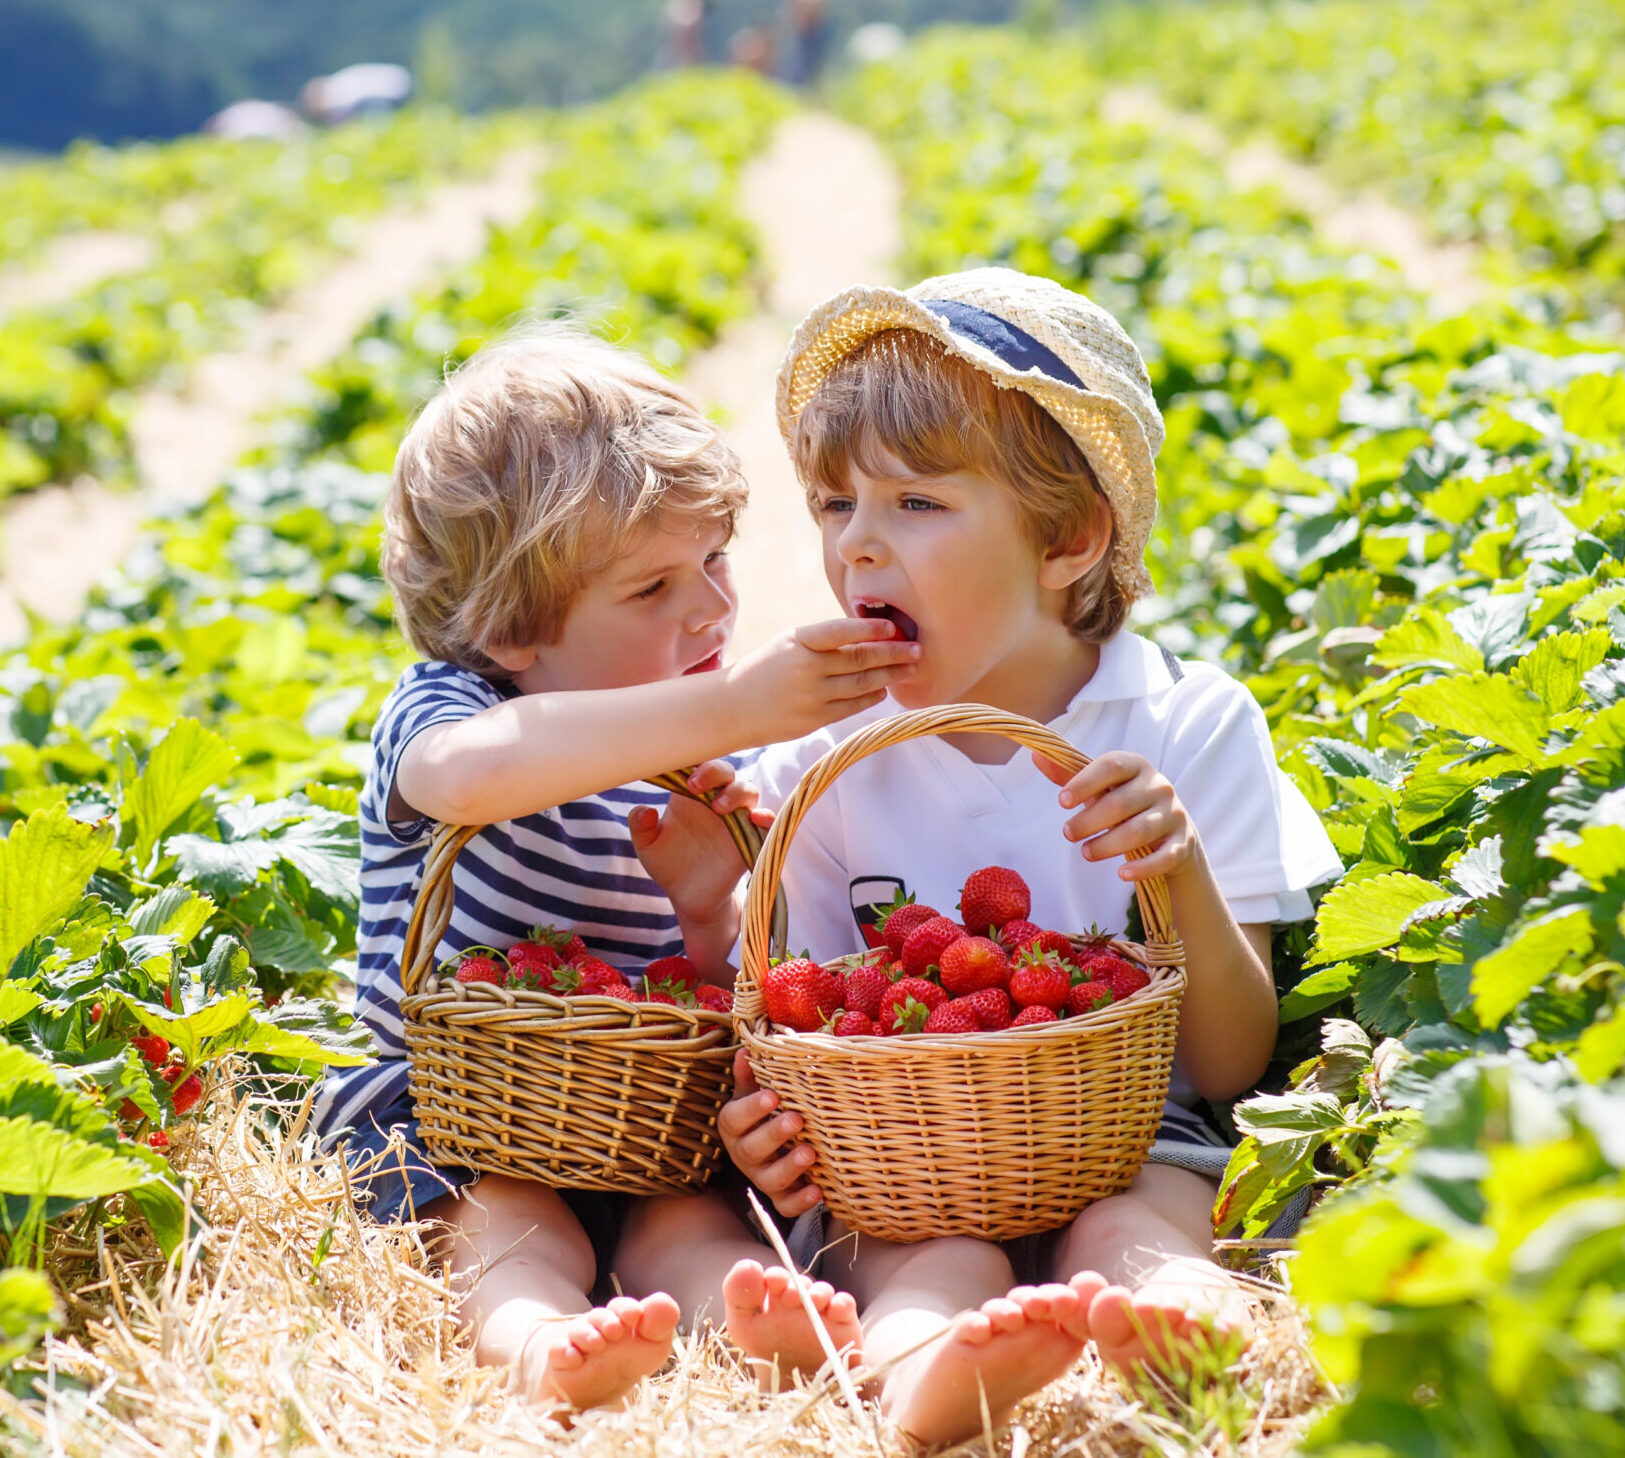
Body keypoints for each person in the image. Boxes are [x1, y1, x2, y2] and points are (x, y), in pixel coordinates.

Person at [665, 269, 1343, 1445]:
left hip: (1133, 1139)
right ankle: (924, 1374)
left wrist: (1170, 867)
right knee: (928, 1258)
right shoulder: (825, 758)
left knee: (1135, 1229)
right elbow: (806, 1027)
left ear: (1068, 539)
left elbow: (1229, 1067)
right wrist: (761, 1111)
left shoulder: (1185, 729)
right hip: (907, 1165)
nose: (859, 548)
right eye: (834, 506)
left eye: (916, 504)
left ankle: (1179, 1328)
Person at [310, 326, 921, 1412]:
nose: (712, 610)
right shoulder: (454, 711)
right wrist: (728, 706)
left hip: (637, 1129)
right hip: (460, 1116)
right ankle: (540, 1339)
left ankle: (745, 1320)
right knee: (507, 1224)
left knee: (683, 1223)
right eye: (650, 591)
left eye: (716, 560)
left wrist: (705, 906)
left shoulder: (694, 761)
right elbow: (464, 778)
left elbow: (706, 984)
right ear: (509, 630)